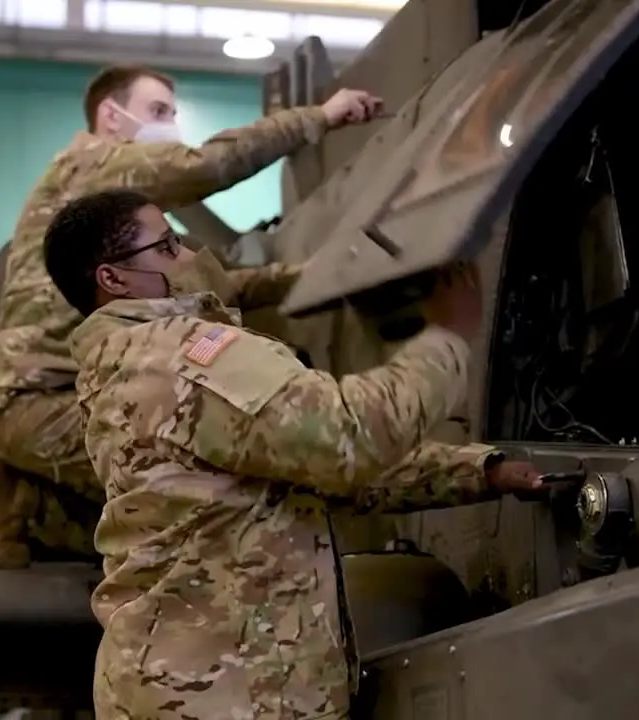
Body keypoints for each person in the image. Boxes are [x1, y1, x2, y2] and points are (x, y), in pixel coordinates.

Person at [44, 188, 543, 720]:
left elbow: (305, 465)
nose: (192, 257)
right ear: (113, 279)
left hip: (191, 687)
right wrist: (447, 339)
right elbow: (344, 436)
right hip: (221, 696)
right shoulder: (178, 357)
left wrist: (478, 471)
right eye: (167, 246)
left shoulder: (127, 365)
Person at [0, 63, 384, 568]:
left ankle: (28, 503)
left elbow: (191, 289)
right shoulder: (94, 165)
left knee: (158, 504)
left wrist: (297, 275)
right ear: (110, 117)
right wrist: (319, 116)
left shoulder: (105, 211)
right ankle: (27, 509)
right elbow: (204, 165)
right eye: (157, 111)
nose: (169, 125)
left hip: (33, 400)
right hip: (37, 400)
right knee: (196, 486)